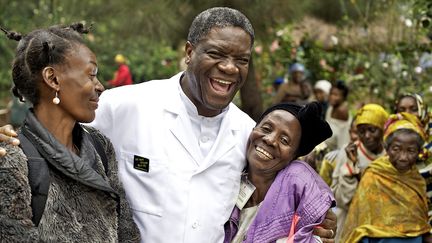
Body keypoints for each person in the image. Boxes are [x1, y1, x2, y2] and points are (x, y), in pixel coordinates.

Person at [0, 7, 337, 242]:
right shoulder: (126, 106)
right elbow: (48, 131)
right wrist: (6, 140)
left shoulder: (247, 133)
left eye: (241, 60)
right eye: (217, 54)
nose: (230, 68)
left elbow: (273, 195)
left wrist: (314, 217)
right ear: (190, 52)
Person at [0, 24, 139, 242]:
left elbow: (127, 233)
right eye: (91, 75)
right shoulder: (13, 158)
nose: (100, 86)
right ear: (53, 79)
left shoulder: (100, 146)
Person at [224, 102, 335, 243]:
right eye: (266, 128)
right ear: (253, 129)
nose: (270, 140)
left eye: (284, 140)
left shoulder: (296, 200)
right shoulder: (225, 168)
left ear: (293, 156)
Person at [340, 112, 431, 242]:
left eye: (410, 150)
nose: (403, 157)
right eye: (396, 149)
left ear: (419, 152)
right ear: (386, 149)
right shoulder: (374, 174)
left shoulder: (417, 180)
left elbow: (421, 224)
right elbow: (362, 221)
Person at [330, 103, 389, 242]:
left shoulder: (391, 153)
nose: (367, 136)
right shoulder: (349, 153)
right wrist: (352, 167)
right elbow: (344, 199)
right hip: (351, 223)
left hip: (383, 225)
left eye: (372, 130)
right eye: (361, 131)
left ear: (383, 129)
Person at [319, 117, 358, 186]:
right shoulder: (331, 160)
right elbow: (322, 189)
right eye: (356, 132)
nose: (363, 136)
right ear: (350, 132)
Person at [324, 80, 351, 151]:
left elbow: (344, 139)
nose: (332, 97)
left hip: (337, 151)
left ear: (343, 97)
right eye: (331, 94)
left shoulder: (342, 111)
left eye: (336, 95)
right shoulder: (331, 108)